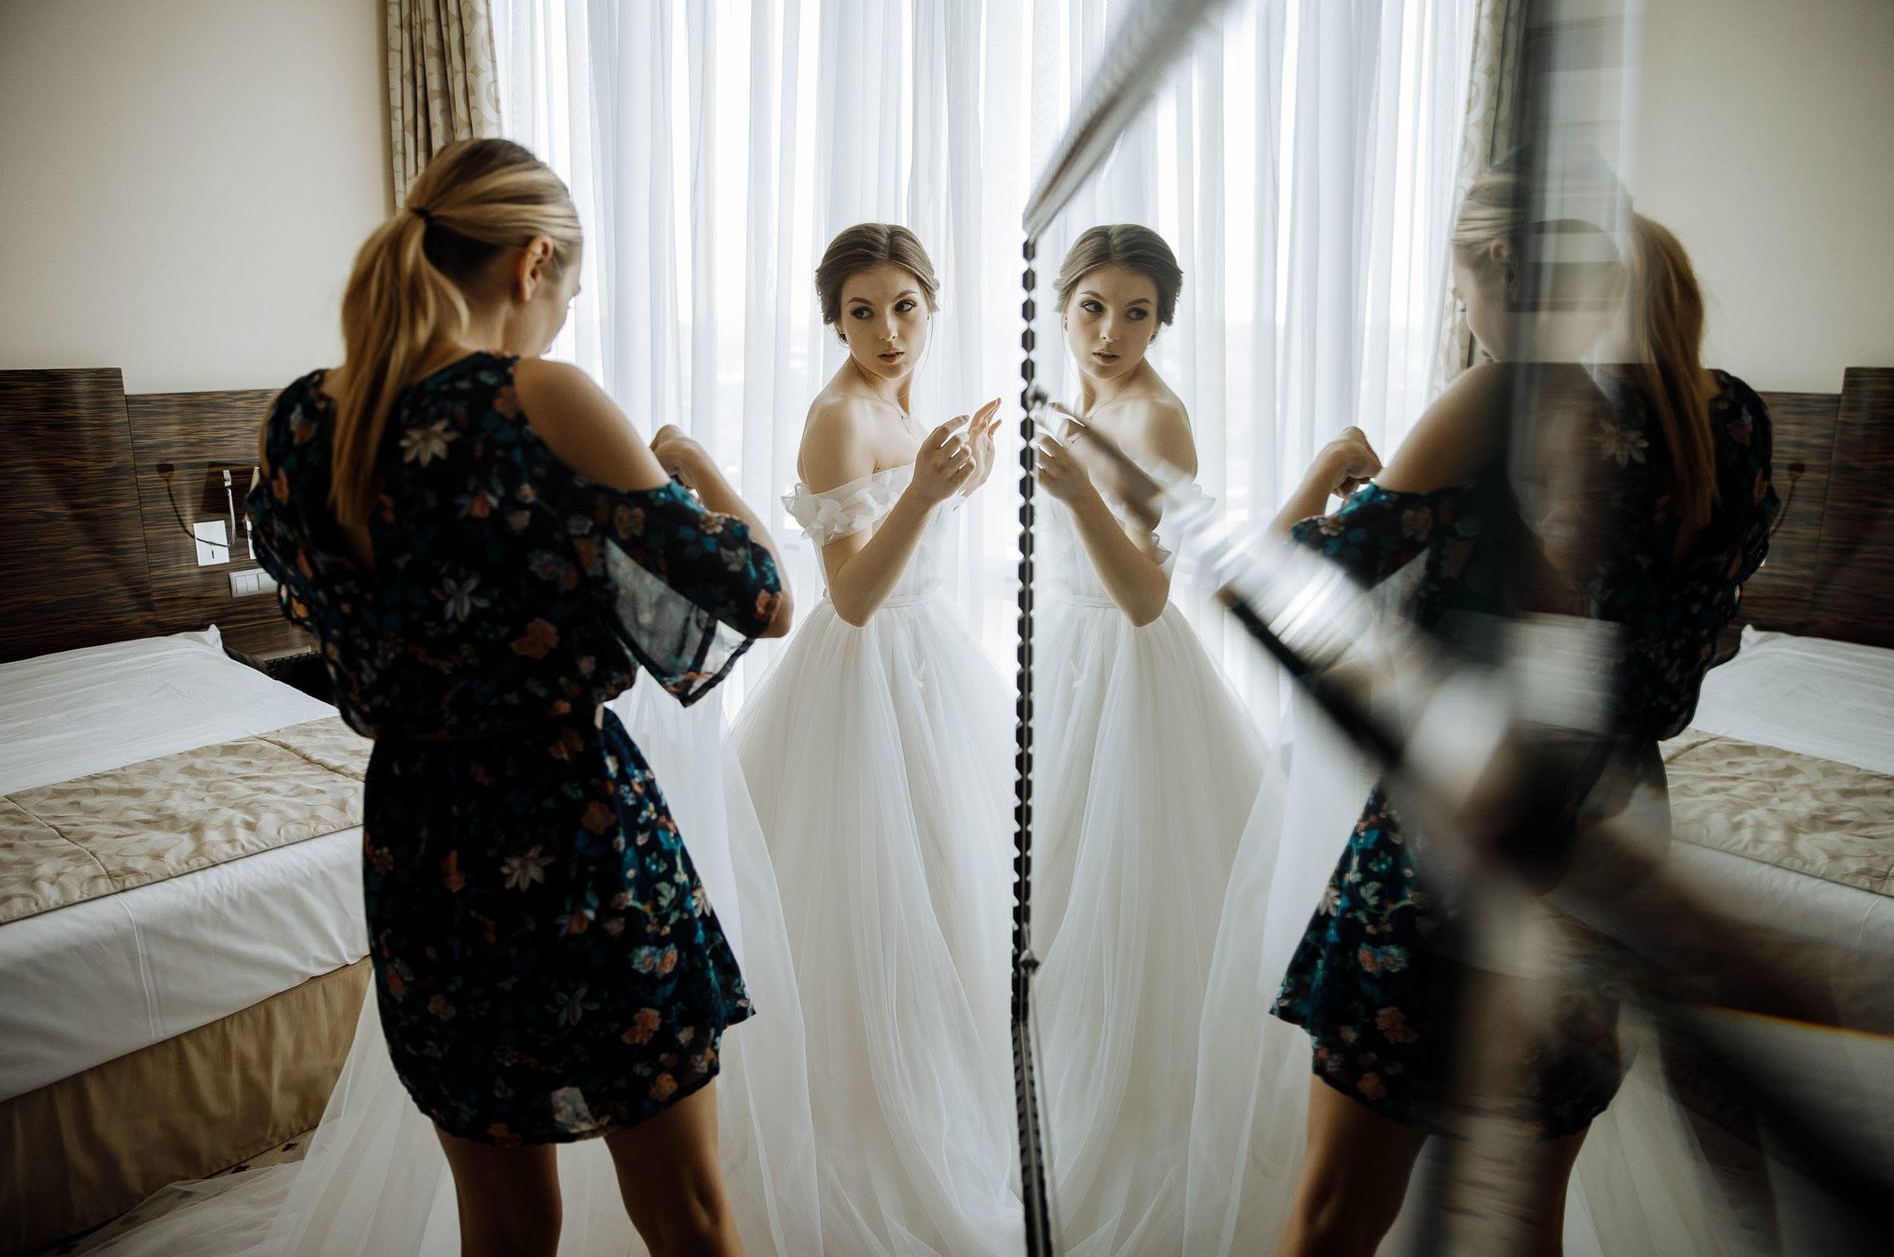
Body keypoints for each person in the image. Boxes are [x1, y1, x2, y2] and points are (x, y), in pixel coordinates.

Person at [241, 137, 795, 1257]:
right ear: (533, 262)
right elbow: (763, 597)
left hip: (421, 846)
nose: (561, 323)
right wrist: (692, 470)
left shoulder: (301, 422)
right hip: (571, 832)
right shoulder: (537, 396)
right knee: (685, 1210)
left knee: (499, 1224)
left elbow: (326, 607)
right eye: (569, 294)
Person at [1259, 155, 1776, 1256]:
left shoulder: (1505, 395)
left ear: (1497, 263)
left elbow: (1295, 596)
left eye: (1458, 283)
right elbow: (1688, 644)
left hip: (1459, 840)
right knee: (1517, 1221)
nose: (1462, 310)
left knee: (1336, 1213)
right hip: (1610, 848)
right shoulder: (1725, 417)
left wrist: (1318, 479)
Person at [730, 223, 1022, 1255]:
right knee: (868, 910)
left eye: (904, 305)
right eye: (861, 310)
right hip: (868, 676)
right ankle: (861, 1128)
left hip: (935, 666)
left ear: (933, 304)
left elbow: (918, 519)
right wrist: (934, 491)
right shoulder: (836, 418)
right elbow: (850, 595)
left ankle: (960, 1096)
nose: (887, 330)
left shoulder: (900, 406)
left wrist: (963, 470)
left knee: (953, 897)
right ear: (833, 318)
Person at [1030, 224, 1265, 1256]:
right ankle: (1056, 1090)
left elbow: (1144, 595)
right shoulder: (1079, 392)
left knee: (1132, 902)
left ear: (1165, 317)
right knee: (1063, 888)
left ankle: (1144, 1121)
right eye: (1093, 306)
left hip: (1129, 668)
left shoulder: (1155, 415)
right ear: (1062, 303)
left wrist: (1081, 495)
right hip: (1072, 662)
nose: (1112, 330)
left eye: (1137, 311)